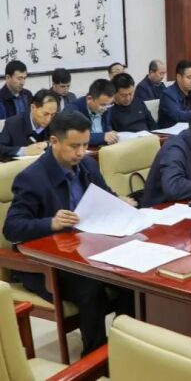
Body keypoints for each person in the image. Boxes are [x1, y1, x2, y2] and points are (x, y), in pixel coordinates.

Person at [2, 111, 136, 357]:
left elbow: (103, 195)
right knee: (90, 289)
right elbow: (12, 228)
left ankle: (127, 346)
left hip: (85, 248)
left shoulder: (87, 165)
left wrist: (118, 202)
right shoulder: (31, 178)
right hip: (47, 261)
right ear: (54, 141)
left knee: (130, 279)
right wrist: (50, 223)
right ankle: (95, 356)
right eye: (74, 146)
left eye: (85, 145)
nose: (81, 152)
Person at [0, 89, 58, 159]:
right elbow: (1, 148)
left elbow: (63, 141)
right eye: (45, 114)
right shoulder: (13, 123)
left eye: (53, 114)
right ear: (33, 107)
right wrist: (24, 151)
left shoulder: (57, 121)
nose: (49, 119)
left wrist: (47, 144)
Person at [65, 79, 117, 145]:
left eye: (109, 104)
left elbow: (107, 129)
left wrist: (111, 136)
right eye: (102, 105)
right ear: (89, 99)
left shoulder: (106, 107)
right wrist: (102, 137)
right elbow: (75, 136)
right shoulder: (73, 110)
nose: (105, 108)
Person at [158, 60, 191, 128]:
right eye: (189, 77)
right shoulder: (168, 94)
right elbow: (179, 116)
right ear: (179, 77)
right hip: (170, 132)